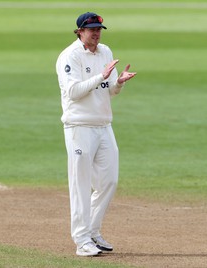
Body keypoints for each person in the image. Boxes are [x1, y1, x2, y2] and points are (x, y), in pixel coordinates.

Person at [56, 12, 137, 256]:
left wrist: (118, 82)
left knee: (108, 181)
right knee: (80, 185)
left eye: (99, 29)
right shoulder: (70, 56)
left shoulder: (105, 51)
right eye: (91, 29)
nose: (97, 33)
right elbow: (73, 92)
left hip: (104, 125)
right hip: (79, 127)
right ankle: (81, 241)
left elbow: (109, 90)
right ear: (80, 31)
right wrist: (100, 76)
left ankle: (92, 230)